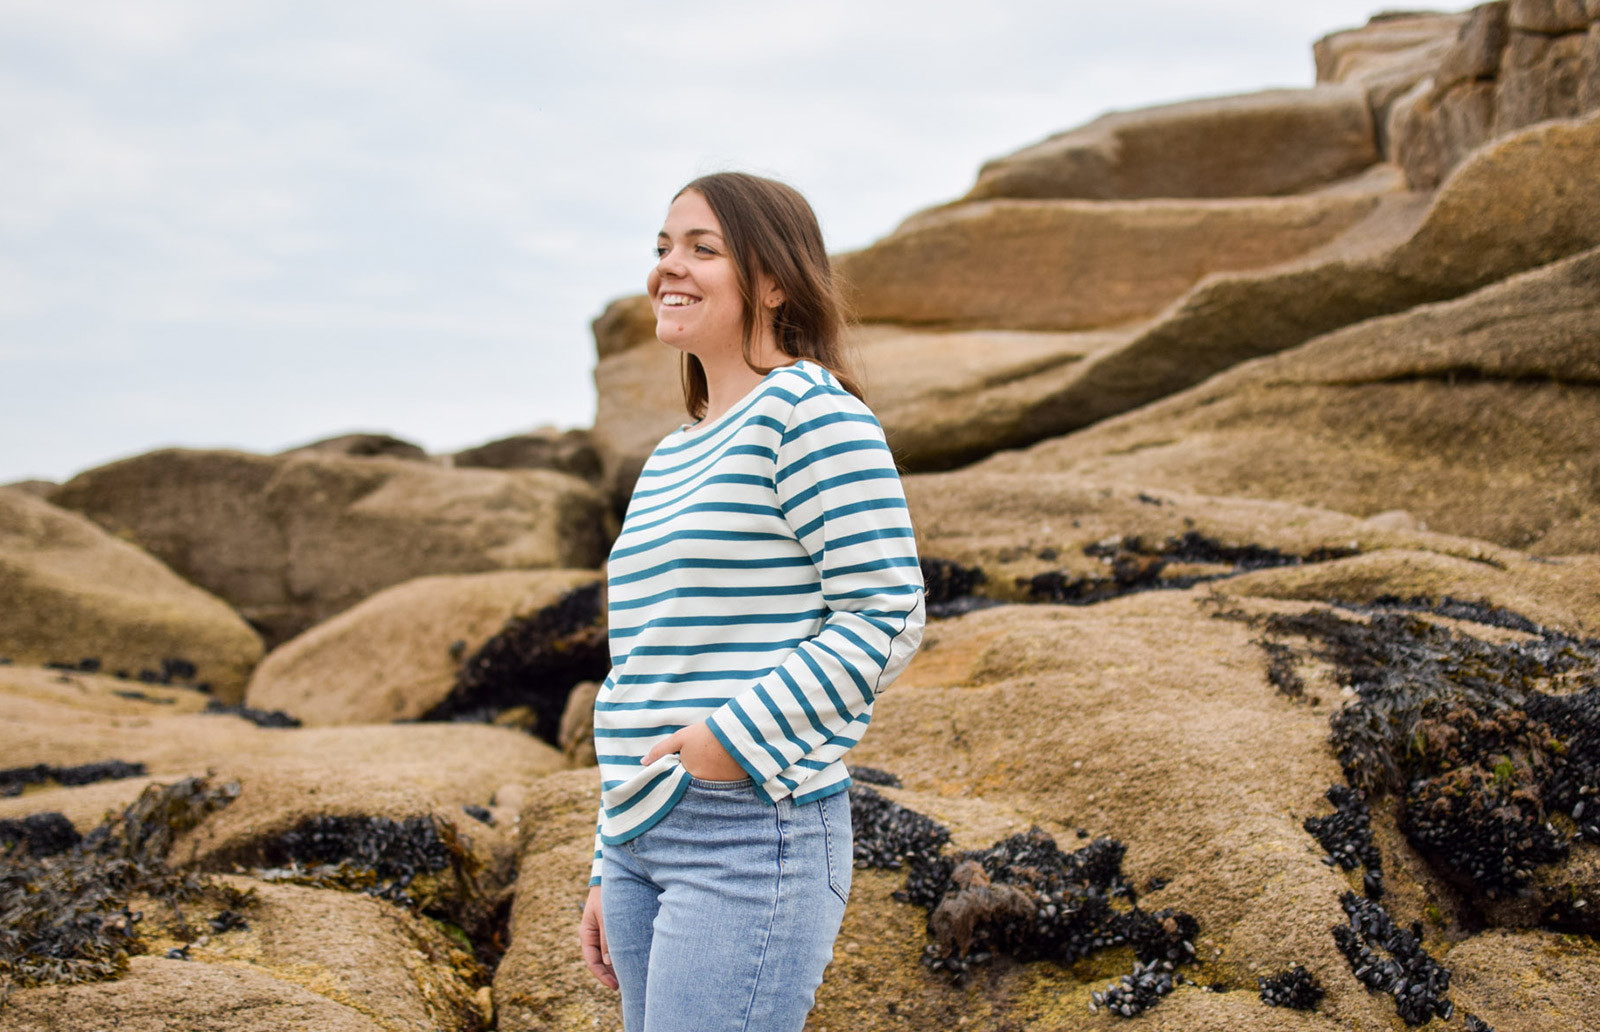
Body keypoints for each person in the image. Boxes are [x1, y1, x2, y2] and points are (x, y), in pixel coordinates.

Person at [575, 171, 926, 1032]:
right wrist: (607, 850)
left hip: (750, 828)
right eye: (662, 249)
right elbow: (644, 665)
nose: (669, 269)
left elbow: (889, 612)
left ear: (772, 280)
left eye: (702, 248)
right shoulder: (668, 457)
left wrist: (727, 742)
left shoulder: (809, 414)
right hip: (640, 834)